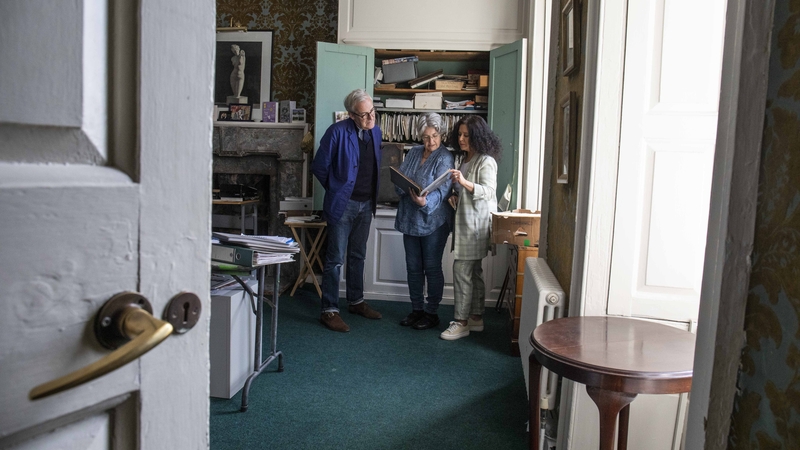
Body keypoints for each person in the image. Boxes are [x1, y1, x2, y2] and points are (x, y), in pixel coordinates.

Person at [311, 89, 383, 332]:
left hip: (366, 204)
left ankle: (356, 301)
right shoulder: (336, 132)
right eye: (364, 115)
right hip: (344, 205)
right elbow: (319, 166)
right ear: (351, 115)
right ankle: (329, 310)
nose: (370, 118)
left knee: (358, 256)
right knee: (334, 259)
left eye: (372, 112)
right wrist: (336, 189)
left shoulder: (376, 131)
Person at [440, 115, 501, 341]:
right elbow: (466, 191)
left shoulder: (486, 161)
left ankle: (461, 322)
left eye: (467, 135)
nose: (462, 139)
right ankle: (476, 317)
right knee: (473, 273)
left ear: (477, 136)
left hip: (475, 226)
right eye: (460, 135)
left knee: (462, 272)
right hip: (465, 222)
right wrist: (455, 195)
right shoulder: (465, 159)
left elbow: (488, 192)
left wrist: (463, 182)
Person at [393, 113, 454, 331]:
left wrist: (423, 203)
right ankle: (416, 309)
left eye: (435, 136)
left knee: (431, 267)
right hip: (410, 220)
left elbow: (443, 190)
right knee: (413, 267)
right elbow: (401, 177)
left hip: (434, 222)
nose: (431, 142)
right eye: (426, 137)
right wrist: (400, 185)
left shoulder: (445, 157)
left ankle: (432, 313)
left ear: (441, 134)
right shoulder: (415, 152)